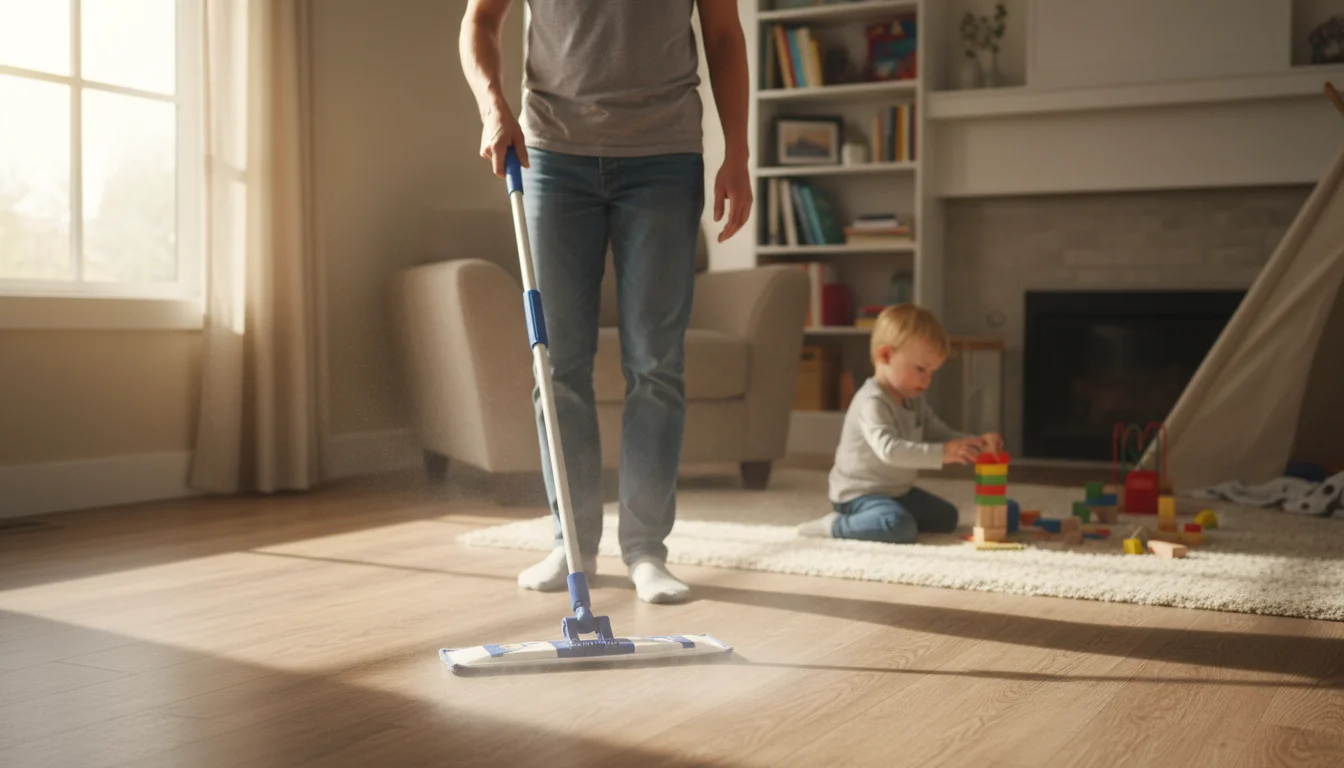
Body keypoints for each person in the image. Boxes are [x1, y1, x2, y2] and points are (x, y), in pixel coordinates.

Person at [459, 0, 752, 603]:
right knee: (556, 362)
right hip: (550, 156)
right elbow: (480, 20)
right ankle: (573, 544)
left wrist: (738, 152)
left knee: (656, 364)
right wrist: (493, 108)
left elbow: (724, 35)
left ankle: (646, 551)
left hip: (665, 157)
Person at [798, 304, 1005, 543]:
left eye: (932, 372)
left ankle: (882, 516)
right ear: (885, 356)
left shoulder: (912, 399)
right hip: (859, 495)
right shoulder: (872, 401)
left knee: (946, 517)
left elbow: (938, 433)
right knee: (898, 527)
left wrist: (974, 443)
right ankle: (835, 525)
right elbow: (890, 451)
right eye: (920, 369)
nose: (927, 380)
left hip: (897, 491)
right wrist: (944, 453)